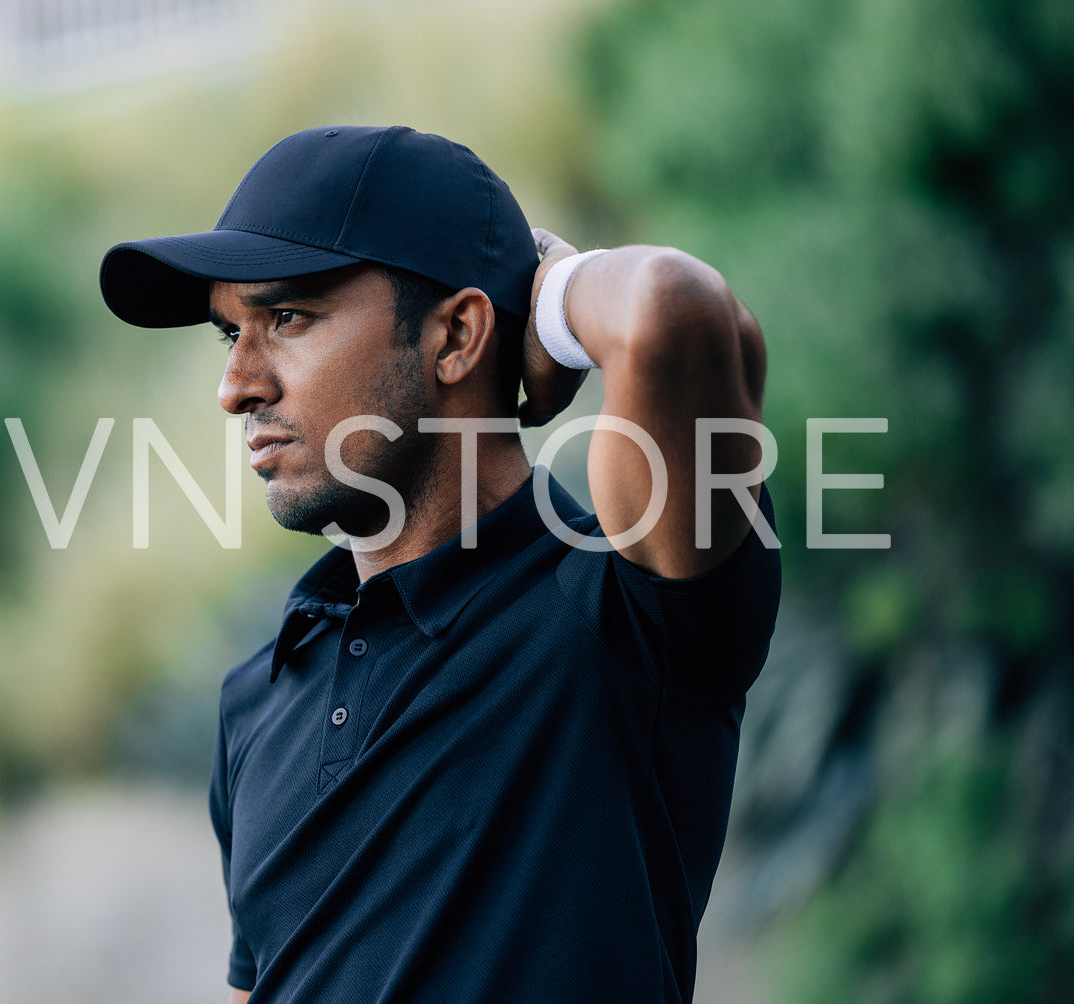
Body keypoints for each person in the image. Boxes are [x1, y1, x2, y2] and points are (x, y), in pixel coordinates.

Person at [99, 125, 780, 1003]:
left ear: (456, 335)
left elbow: (671, 311)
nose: (236, 385)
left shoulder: (621, 615)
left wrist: (554, 295)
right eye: (228, 334)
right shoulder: (259, 695)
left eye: (287, 318)